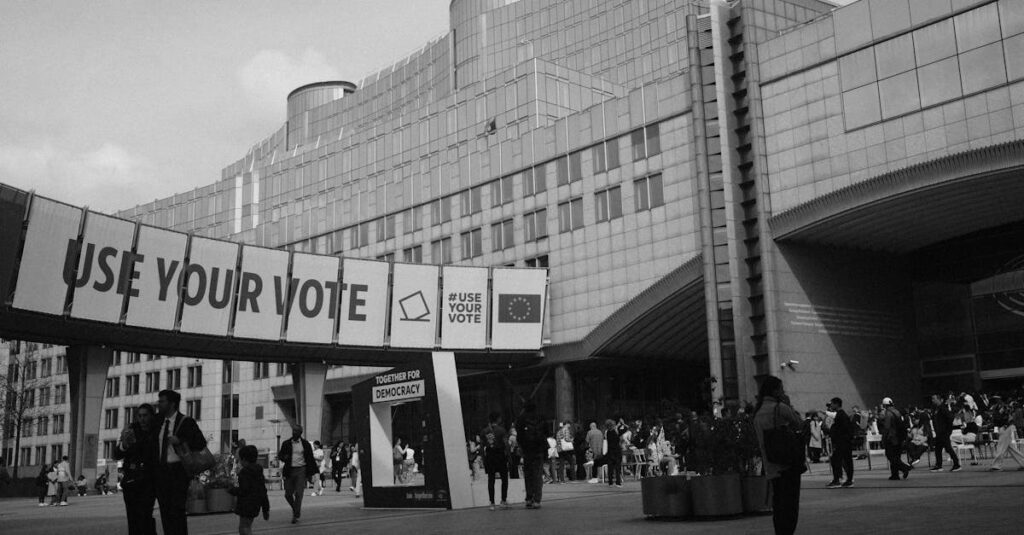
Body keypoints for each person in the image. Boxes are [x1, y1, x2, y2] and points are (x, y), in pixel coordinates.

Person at [752, 375, 805, 535]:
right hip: (787, 463)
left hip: (771, 464)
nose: (783, 392)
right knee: (790, 504)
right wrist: (788, 404)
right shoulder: (780, 408)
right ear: (775, 391)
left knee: (779, 503)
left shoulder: (758, 411)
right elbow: (799, 424)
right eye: (781, 389)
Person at [154, 389, 207, 535]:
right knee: (165, 511)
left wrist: (181, 440)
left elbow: (200, 443)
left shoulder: (186, 422)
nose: (159, 404)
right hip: (161, 471)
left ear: (172, 404)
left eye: (162, 401)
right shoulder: (157, 421)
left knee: (177, 511)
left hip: (178, 471)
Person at [115, 403, 158, 535]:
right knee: (132, 517)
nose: (142, 419)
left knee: (145, 515)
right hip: (131, 480)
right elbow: (117, 454)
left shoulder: (156, 431)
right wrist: (124, 445)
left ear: (151, 416)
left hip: (148, 481)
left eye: (145, 416)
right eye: (139, 416)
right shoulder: (131, 430)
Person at [277, 425, 316, 524]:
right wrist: (284, 457)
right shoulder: (286, 443)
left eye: (296, 431)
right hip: (289, 470)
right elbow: (280, 455)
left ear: (300, 433)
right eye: (293, 430)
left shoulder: (305, 444)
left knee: (299, 493)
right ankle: (295, 508)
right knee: (288, 494)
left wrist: (312, 473)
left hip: (301, 470)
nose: (294, 432)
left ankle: (296, 514)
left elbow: (310, 459)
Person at [229, 445, 270, 535]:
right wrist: (265, 508)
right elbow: (263, 491)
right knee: (247, 526)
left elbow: (243, 490)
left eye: (240, 460)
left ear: (244, 459)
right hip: (255, 504)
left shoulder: (244, 473)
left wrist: (231, 490)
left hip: (246, 504)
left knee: (244, 527)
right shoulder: (258, 472)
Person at [517, 402, 547, 509]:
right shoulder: (541, 418)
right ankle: (537, 500)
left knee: (528, 475)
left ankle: (529, 498)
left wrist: (522, 447)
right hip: (538, 450)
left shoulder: (521, 419)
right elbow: (547, 433)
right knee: (537, 475)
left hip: (527, 451)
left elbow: (519, 436)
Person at [987, 396, 1024, 471]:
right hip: (1005, 427)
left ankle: (996, 466)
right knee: (1012, 449)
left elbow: (1006, 418)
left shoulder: (1003, 407)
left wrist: (1002, 425)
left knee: (1001, 447)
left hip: (1005, 427)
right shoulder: (998, 407)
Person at [879, 397, 912, 481]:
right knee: (896, 456)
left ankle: (905, 468)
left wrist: (883, 439)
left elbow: (887, 427)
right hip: (899, 438)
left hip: (891, 438)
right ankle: (894, 474)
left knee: (890, 456)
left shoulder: (888, 413)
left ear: (885, 405)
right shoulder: (897, 411)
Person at [481, 411, 509, 510]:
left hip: (490, 456)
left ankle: (492, 503)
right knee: (504, 479)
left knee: (491, 479)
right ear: (498, 419)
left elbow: (482, 446)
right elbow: (506, 444)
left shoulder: (484, 431)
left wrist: (483, 459)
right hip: (500, 455)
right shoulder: (502, 430)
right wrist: (508, 456)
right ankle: (503, 500)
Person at [825, 397, 854, 488]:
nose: (831, 405)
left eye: (832, 404)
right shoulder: (842, 414)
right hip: (844, 442)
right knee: (845, 460)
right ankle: (847, 480)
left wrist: (832, 433)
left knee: (837, 460)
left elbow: (840, 429)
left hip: (841, 442)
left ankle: (838, 480)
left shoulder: (840, 415)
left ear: (836, 404)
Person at [929, 393, 961, 472]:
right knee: (938, 449)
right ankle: (939, 465)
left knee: (948, 448)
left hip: (944, 432)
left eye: (934, 398)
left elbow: (950, 418)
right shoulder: (936, 409)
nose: (932, 400)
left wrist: (947, 429)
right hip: (939, 433)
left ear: (939, 399)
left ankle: (956, 464)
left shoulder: (943, 408)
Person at [591, 420, 623, 487]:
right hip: (617, 452)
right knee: (617, 468)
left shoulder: (607, 432)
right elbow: (623, 431)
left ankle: (610, 482)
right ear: (613, 425)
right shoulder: (615, 432)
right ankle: (618, 483)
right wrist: (621, 424)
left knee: (610, 468)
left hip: (610, 452)